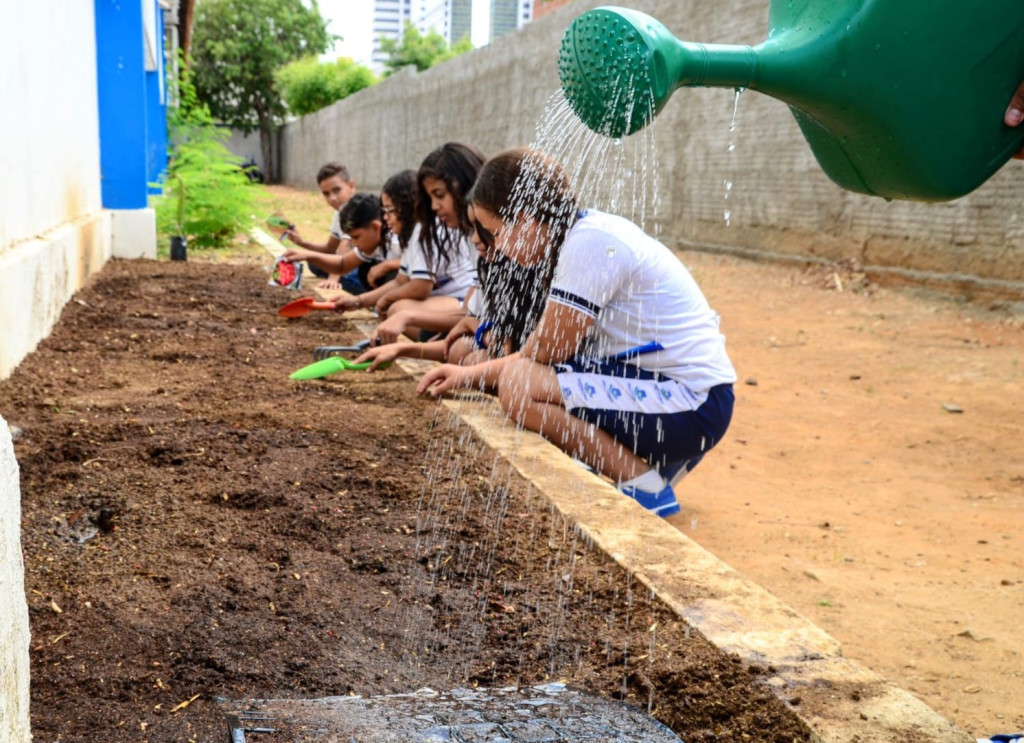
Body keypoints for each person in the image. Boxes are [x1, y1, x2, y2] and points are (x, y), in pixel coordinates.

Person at [416, 148, 737, 518]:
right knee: (526, 376)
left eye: (498, 233)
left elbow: (544, 353)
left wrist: (465, 374)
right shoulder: (578, 238)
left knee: (521, 384)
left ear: (524, 220)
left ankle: (645, 486)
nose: (498, 247)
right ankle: (645, 465)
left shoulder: (590, 243)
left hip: (694, 403)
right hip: (676, 394)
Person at [337, 145, 483, 344]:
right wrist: (359, 301)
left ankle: (437, 338)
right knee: (398, 309)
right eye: (430, 197)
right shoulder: (429, 232)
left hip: (457, 303)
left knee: (398, 308)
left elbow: (420, 287)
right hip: (464, 308)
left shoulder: (432, 231)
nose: (385, 218)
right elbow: (400, 280)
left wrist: (390, 304)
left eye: (389, 209)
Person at [282, 193, 399, 292]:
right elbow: (342, 265)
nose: (353, 243)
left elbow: (414, 264)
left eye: (356, 237)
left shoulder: (396, 241)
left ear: (376, 227)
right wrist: (307, 255)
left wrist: (387, 265)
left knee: (390, 274)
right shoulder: (372, 241)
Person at [281, 162, 359, 291]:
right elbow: (330, 248)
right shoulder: (339, 212)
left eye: (336, 190)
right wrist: (302, 243)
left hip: (371, 268)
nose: (332, 198)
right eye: (326, 194)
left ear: (351, 186)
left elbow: (345, 246)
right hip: (348, 263)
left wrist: (333, 278)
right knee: (314, 263)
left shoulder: (357, 208)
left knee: (348, 274)